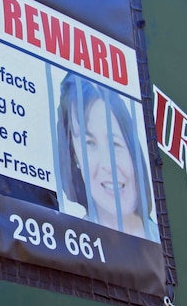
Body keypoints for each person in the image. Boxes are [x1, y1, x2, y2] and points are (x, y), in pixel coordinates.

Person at [56, 74, 156, 239]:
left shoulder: (168, 248)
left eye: (115, 144)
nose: (107, 165)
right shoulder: (69, 248)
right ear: (74, 158)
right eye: (89, 143)